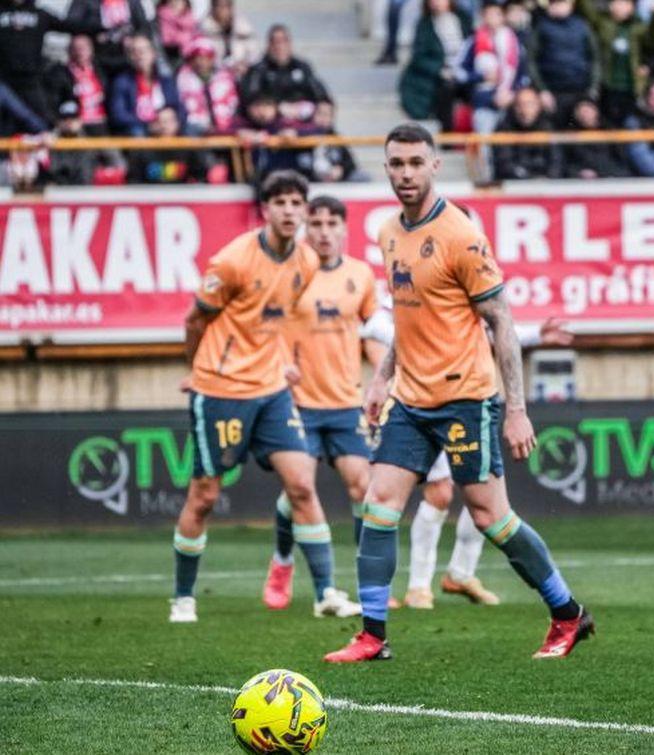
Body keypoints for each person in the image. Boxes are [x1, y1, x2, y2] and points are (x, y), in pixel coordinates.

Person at [323, 123, 593, 663]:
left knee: (492, 518)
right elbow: (409, 316)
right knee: (379, 505)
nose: (404, 174)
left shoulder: (460, 236)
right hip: (411, 400)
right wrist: (381, 381)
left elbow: (502, 322)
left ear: (434, 164)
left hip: (469, 400)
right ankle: (373, 635)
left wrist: (515, 410)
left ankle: (568, 614)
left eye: (414, 163)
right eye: (395, 163)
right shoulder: (386, 231)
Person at [170, 170, 359, 624]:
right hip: (222, 390)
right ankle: (183, 597)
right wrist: (199, 370)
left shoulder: (307, 262)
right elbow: (196, 321)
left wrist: (277, 363)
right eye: (281, 203)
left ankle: (326, 594)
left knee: (301, 484)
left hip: (272, 390)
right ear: (265, 209)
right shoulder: (233, 261)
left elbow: (274, 320)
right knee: (205, 495)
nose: (290, 211)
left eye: (298, 203)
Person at [360, 303, 576, 609]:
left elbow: (489, 330)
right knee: (437, 494)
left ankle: (461, 574)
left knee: (483, 500)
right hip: (417, 405)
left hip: (463, 401)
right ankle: (417, 588)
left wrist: (535, 336)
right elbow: (386, 327)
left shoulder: (460, 283)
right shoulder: (402, 287)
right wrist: (381, 376)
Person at [262, 195, 377, 615]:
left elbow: (374, 332)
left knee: (364, 488)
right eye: (317, 223)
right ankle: (286, 562)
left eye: (332, 223)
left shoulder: (361, 275)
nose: (324, 231)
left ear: (345, 228)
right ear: (306, 228)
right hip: (298, 403)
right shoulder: (291, 274)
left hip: (346, 402)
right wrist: (278, 368)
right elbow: (265, 328)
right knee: (300, 490)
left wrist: (387, 378)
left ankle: (370, 584)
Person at [454, 0, 527, 183]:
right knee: (484, 143)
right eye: (488, 14)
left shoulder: (514, 41)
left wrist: (512, 93)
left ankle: (512, 176)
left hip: (510, 103)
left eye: (496, 14)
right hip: (484, 102)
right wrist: (480, 77)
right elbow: (459, 73)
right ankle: (486, 180)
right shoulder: (473, 41)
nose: (492, 18)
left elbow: (524, 74)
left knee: (509, 142)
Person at [0, 0, 97, 124]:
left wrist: (102, 28)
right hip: (4, 81)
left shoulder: (39, 14)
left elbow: (70, 25)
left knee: (42, 124)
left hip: (31, 80)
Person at [575, 0, 654, 126]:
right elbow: (586, 10)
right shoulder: (603, 22)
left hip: (631, 86)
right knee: (607, 123)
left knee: (630, 123)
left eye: (625, 3)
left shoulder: (639, 26)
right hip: (607, 84)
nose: (620, 7)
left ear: (631, 7)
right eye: (617, 3)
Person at [399, 0, 473, 131]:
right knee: (447, 89)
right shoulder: (424, 24)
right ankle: (447, 134)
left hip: (466, 69)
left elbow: (472, 44)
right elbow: (419, 56)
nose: (437, 3)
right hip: (440, 73)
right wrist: (440, 69)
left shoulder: (463, 18)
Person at [241, 24, 332, 125]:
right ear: (268, 45)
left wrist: (322, 108)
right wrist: (278, 107)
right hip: (271, 126)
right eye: (276, 42)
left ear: (290, 44)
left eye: (284, 41)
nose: (280, 46)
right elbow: (251, 99)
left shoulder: (302, 67)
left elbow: (321, 94)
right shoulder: (258, 70)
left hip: (304, 124)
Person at [527, 0, 599, 126]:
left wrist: (592, 89)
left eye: (561, 3)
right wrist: (542, 90)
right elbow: (531, 60)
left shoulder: (582, 26)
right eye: (554, 3)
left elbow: (594, 58)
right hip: (553, 92)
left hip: (580, 91)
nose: (557, 6)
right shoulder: (541, 26)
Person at [108, 33, 187, 137]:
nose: (139, 55)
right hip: (140, 131)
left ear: (153, 53)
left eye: (143, 51)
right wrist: (149, 125)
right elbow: (119, 115)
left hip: (167, 129)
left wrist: (174, 122)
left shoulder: (166, 81)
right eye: (134, 52)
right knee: (137, 132)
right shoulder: (121, 82)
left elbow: (180, 109)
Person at [66, 0, 153, 79]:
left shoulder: (133, 2)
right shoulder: (83, 2)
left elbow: (143, 26)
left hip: (128, 59)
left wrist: (134, 39)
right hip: (97, 60)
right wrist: (92, 34)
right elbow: (72, 25)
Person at [493, 86, 562, 179]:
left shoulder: (548, 127)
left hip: (546, 184)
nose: (524, 109)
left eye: (530, 104)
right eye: (520, 104)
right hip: (516, 185)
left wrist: (549, 178)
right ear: (514, 107)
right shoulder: (504, 129)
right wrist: (530, 179)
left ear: (539, 105)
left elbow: (556, 159)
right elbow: (505, 163)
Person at [177, 36, 240, 136]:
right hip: (197, 132)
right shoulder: (183, 79)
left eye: (205, 58)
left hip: (226, 130)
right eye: (197, 58)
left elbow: (233, 104)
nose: (200, 62)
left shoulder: (225, 79)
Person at [562, 97, 631, 177]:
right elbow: (566, 164)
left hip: (611, 178)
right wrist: (578, 172)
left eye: (587, 110)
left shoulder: (610, 131)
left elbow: (622, 161)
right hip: (582, 182)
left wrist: (603, 174)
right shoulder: (571, 136)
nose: (584, 115)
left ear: (595, 110)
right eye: (580, 111)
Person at [200, 0, 258, 76]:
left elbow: (255, 51)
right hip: (214, 74)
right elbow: (201, 57)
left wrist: (245, 63)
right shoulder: (204, 30)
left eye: (225, 5)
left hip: (242, 72)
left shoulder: (243, 27)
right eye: (218, 6)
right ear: (212, 7)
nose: (222, 10)